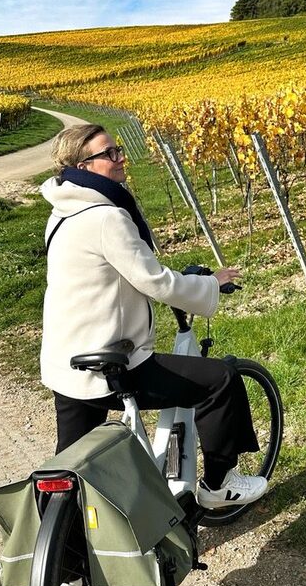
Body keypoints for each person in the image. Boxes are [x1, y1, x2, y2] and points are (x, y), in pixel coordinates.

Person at [40, 123, 267, 509]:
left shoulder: (62, 213)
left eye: (118, 149)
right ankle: (218, 486)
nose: (120, 157)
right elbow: (156, 282)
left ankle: (57, 555)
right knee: (221, 381)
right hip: (113, 366)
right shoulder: (106, 217)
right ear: (84, 164)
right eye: (109, 153)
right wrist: (209, 285)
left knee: (69, 468)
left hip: (66, 366)